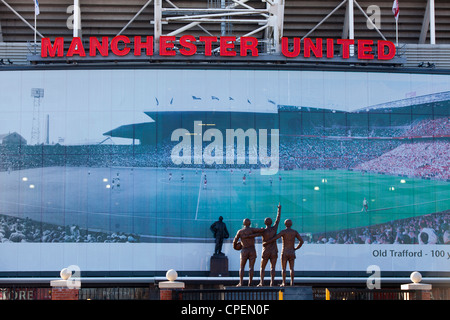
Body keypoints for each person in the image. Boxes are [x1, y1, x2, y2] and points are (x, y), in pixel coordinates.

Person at [265, 219, 304, 287]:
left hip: (285, 252)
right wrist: (296, 248)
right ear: (291, 224)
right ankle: (292, 282)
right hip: (291, 251)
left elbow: (275, 238)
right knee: (292, 268)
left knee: (284, 269)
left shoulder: (283, 232)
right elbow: (301, 241)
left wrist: (267, 242)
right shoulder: (294, 232)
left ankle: (284, 282)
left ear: (285, 224)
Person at [233, 218, 264, 286]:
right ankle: (250, 282)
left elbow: (234, 241)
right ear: (250, 223)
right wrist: (261, 228)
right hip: (252, 250)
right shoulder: (252, 229)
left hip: (244, 250)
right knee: (251, 267)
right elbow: (261, 230)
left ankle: (241, 283)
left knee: (242, 267)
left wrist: (236, 247)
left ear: (243, 224)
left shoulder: (240, 231)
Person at [259, 203, 281, 286]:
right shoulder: (274, 229)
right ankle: (272, 282)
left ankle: (262, 282)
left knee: (262, 267)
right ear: (271, 223)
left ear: (265, 223)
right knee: (273, 268)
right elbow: (278, 220)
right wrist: (279, 209)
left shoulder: (263, 231)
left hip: (266, 251)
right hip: (273, 251)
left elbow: (254, 234)